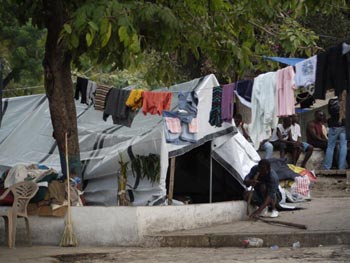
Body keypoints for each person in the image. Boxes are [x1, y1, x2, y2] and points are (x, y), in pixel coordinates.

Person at [323, 99, 347, 170]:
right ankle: (341, 167)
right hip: (343, 125)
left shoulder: (331, 102)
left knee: (330, 146)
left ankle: (327, 167)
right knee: (343, 145)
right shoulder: (343, 102)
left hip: (333, 126)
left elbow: (330, 113)